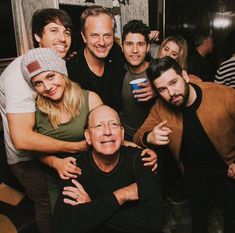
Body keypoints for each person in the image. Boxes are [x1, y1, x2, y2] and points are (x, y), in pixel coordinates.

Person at [133, 56, 235, 233]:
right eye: (162, 89)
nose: (171, 93)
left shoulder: (222, 94)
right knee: (199, 221)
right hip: (194, 174)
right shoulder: (161, 107)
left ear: (185, 76)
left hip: (228, 170)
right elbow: (138, 136)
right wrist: (150, 137)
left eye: (173, 82)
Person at [0, 8, 78, 233]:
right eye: (53, 30)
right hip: (25, 158)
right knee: (46, 204)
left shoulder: (53, 64)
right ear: (37, 36)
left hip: (48, 148)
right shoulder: (20, 74)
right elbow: (22, 139)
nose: (62, 38)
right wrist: (73, 146)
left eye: (66, 32)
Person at [53, 104, 164, 233]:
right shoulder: (74, 168)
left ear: (122, 133)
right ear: (88, 136)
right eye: (99, 126)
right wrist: (122, 195)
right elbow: (64, 226)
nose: (107, 131)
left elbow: (153, 221)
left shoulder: (142, 159)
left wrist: (91, 209)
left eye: (113, 125)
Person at [20, 47, 103, 212]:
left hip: (96, 177)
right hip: (57, 183)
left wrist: (136, 147)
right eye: (38, 83)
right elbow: (34, 149)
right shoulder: (34, 111)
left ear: (62, 72)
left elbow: (109, 135)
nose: (47, 86)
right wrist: (56, 163)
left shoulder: (90, 99)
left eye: (50, 76)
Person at [120, 20, 156, 141]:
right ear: (122, 47)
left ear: (147, 48)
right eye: (129, 44)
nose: (135, 50)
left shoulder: (156, 72)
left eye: (140, 44)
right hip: (125, 136)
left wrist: (158, 89)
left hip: (152, 136)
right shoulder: (117, 70)